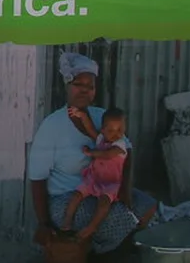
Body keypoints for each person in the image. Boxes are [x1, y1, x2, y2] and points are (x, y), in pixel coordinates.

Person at [29, 53, 158, 255]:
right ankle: (99, 253)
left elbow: (127, 148)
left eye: (90, 86)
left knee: (148, 206)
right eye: (78, 83)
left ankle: (106, 250)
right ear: (67, 86)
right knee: (119, 215)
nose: (84, 90)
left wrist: (125, 187)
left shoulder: (102, 116)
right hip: (67, 198)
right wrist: (44, 223)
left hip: (105, 187)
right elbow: (37, 179)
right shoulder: (52, 126)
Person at [59, 107, 136, 240]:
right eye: (111, 130)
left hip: (110, 183)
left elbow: (107, 154)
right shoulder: (100, 139)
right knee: (76, 196)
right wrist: (82, 116)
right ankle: (67, 220)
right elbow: (90, 130)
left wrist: (91, 153)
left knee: (104, 204)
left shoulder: (120, 145)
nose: (116, 134)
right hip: (93, 178)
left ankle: (92, 226)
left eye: (120, 130)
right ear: (103, 130)